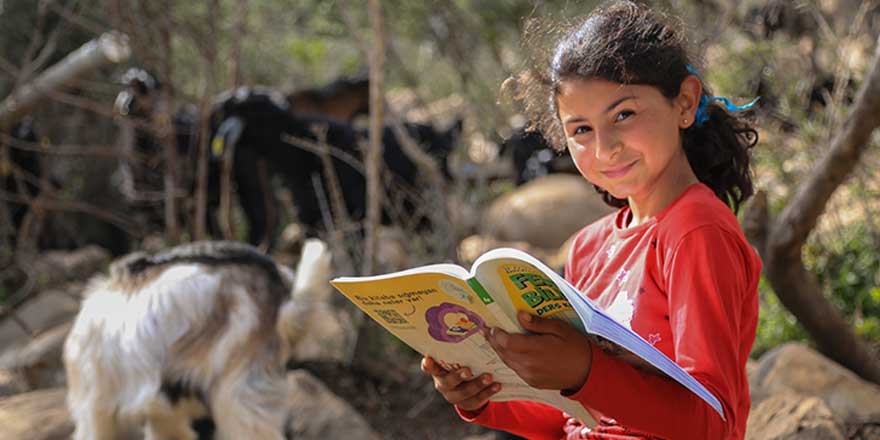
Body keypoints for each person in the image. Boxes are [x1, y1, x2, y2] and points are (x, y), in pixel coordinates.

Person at [420, 2, 762, 439]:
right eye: (581, 130)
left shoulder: (695, 230)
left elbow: (714, 424)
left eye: (624, 115)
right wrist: (484, 398)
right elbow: (573, 417)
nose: (604, 149)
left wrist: (585, 369)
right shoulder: (588, 247)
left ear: (685, 102)